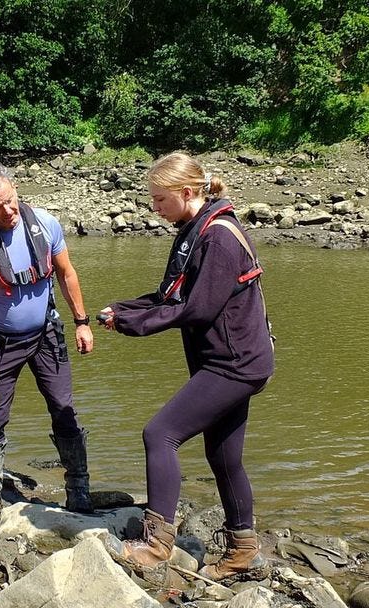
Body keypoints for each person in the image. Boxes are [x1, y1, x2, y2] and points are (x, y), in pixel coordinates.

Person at [99, 153, 274, 581]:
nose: (154, 208)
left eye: (160, 199)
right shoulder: (195, 231)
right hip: (233, 360)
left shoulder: (219, 239)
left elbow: (198, 309)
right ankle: (243, 550)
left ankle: (156, 544)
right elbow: (170, 295)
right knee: (224, 455)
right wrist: (122, 309)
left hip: (234, 364)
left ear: (188, 192)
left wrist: (135, 325)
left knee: (160, 434)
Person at [0, 162, 94, 517]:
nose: (8, 210)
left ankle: (78, 488)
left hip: (46, 334)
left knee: (64, 409)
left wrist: (82, 322)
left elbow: (66, 273)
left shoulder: (46, 225)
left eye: (10, 200)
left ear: (15, 189)